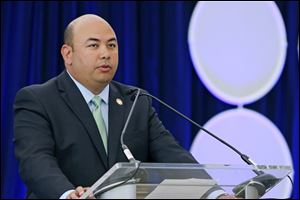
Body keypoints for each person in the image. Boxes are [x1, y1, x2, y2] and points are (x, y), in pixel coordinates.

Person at [14, 14, 237, 199]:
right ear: (68, 54)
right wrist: (68, 194)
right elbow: (36, 161)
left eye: (112, 45)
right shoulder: (38, 99)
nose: (105, 53)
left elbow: (173, 155)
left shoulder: (135, 101)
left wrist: (215, 194)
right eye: (94, 45)